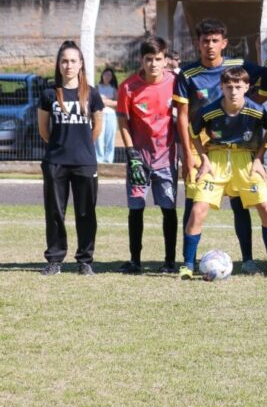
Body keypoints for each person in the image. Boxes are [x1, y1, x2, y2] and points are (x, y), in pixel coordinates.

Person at [174, 18, 263, 273]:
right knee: (195, 204)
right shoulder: (188, 74)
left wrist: (249, 108)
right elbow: (182, 116)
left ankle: (247, 258)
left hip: (235, 145)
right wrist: (187, 155)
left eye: (215, 41)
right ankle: (187, 263)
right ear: (197, 43)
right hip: (199, 147)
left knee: (239, 202)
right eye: (205, 41)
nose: (210, 45)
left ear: (224, 43)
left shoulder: (240, 66)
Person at [180, 67, 267, 280]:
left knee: (265, 208)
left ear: (246, 87)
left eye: (238, 87)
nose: (233, 91)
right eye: (229, 87)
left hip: (246, 161)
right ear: (222, 88)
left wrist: (258, 159)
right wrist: (204, 159)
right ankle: (188, 265)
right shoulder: (210, 110)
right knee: (198, 210)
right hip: (216, 160)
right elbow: (192, 132)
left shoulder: (256, 110)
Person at [38, 40, 104, 276]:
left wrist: (82, 146)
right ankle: (55, 260)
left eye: (73, 61)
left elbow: (97, 127)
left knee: (86, 213)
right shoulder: (48, 93)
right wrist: (60, 146)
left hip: (84, 162)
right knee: (55, 212)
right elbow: (44, 130)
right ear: (58, 64)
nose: (68, 65)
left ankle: (85, 261)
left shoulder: (92, 93)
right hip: (56, 162)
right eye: (64, 60)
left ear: (81, 64)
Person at [116, 37, 178, 274]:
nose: (153, 64)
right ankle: (135, 260)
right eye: (149, 59)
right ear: (141, 60)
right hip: (138, 159)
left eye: (158, 59)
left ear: (166, 60)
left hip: (167, 158)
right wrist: (131, 154)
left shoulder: (175, 82)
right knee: (136, 208)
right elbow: (123, 122)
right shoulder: (128, 87)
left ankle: (170, 261)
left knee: (168, 209)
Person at [96, 67, 118, 163]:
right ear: (102, 75)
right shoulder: (97, 87)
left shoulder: (114, 89)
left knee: (110, 138)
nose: (107, 77)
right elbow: (95, 101)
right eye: (106, 74)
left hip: (111, 115)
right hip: (99, 115)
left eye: (110, 75)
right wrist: (109, 102)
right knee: (99, 138)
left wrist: (103, 101)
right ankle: (99, 160)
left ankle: (109, 160)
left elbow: (117, 103)